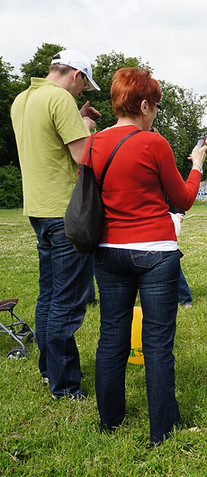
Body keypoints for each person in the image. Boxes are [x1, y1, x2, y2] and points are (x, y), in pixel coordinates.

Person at [89, 67, 207, 445]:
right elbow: (183, 199)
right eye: (154, 105)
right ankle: (163, 430)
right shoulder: (153, 142)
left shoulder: (92, 145)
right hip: (155, 252)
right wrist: (197, 166)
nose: (154, 112)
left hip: (107, 251)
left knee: (111, 339)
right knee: (157, 344)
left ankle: (110, 421)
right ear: (143, 105)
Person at [11, 49, 101, 399]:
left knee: (48, 295)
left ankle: (49, 370)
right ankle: (64, 385)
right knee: (68, 301)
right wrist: (88, 127)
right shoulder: (60, 99)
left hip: (37, 209)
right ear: (75, 74)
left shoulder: (23, 99)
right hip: (67, 213)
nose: (81, 94)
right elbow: (83, 156)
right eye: (83, 87)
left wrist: (76, 119)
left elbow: (46, 142)